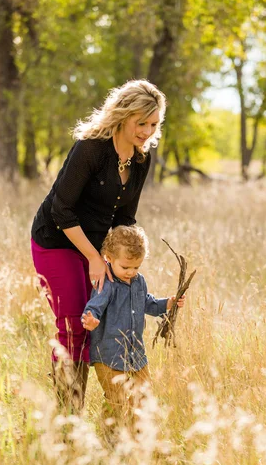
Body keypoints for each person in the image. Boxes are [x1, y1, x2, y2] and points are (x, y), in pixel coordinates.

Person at [30, 79, 166, 411]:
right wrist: (94, 257)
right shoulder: (91, 148)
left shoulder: (141, 159)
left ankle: (116, 414)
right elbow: (61, 208)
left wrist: (120, 262)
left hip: (95, 249)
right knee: (74, 327)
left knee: (98, 325)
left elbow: (125, 217)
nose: (147, 131)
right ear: (124, 115)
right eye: (142, 122)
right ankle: (67, 420)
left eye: (154, 124)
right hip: (56, 241)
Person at [81, 225, 185, 431]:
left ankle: (137, 434)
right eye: (125, 267)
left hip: (135, 353)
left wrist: (168, 303)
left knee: (143, 392)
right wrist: (91, 319)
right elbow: (94, 306)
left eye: (136, 267)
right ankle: (109, 436)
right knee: (116, 399)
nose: (131, 272)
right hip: (109, 355)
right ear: (108, 258)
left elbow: (146, 302)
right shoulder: (107, 283)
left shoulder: (139, 282)